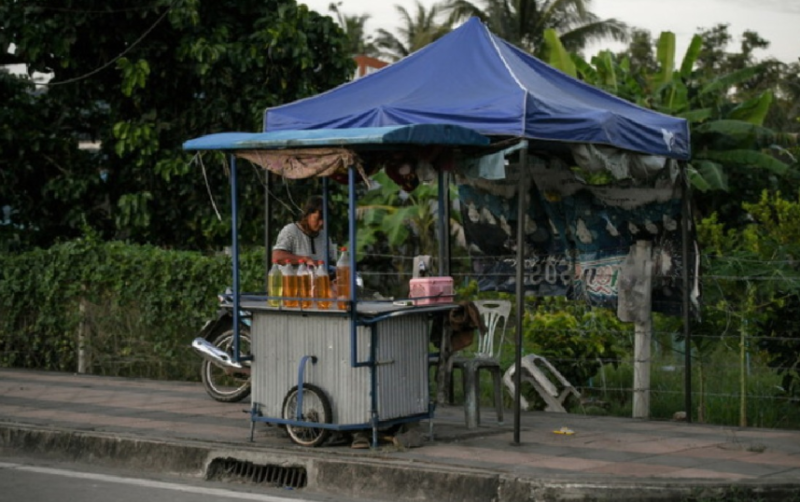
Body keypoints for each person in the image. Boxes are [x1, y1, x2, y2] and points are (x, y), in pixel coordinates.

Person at [272, 196, 334, 265]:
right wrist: (304, 259)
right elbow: (277, 257)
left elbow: (332, 261)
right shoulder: (291, 231)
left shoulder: (324, 236)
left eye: (324, 219)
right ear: (308, 215)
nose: (321, 223)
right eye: (318, 219)